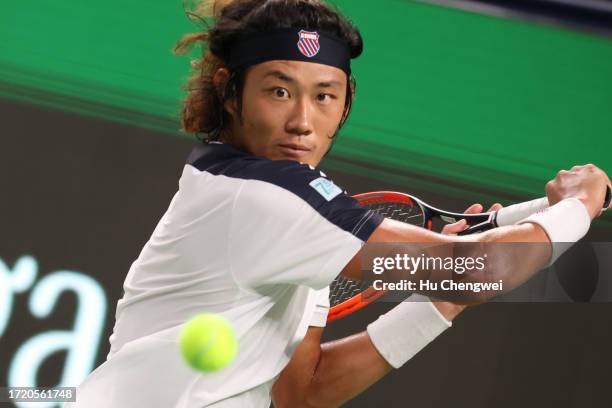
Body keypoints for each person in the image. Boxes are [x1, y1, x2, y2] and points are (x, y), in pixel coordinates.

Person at [67, 0, 611, 407]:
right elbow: (476, 270)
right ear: (229, 91)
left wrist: (443, 300)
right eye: (279, 91)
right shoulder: (268, 198)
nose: (303, 120)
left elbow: (301, 392)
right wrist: (576, 206)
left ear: (346, 102)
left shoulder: (282, 209)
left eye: (324, 95)